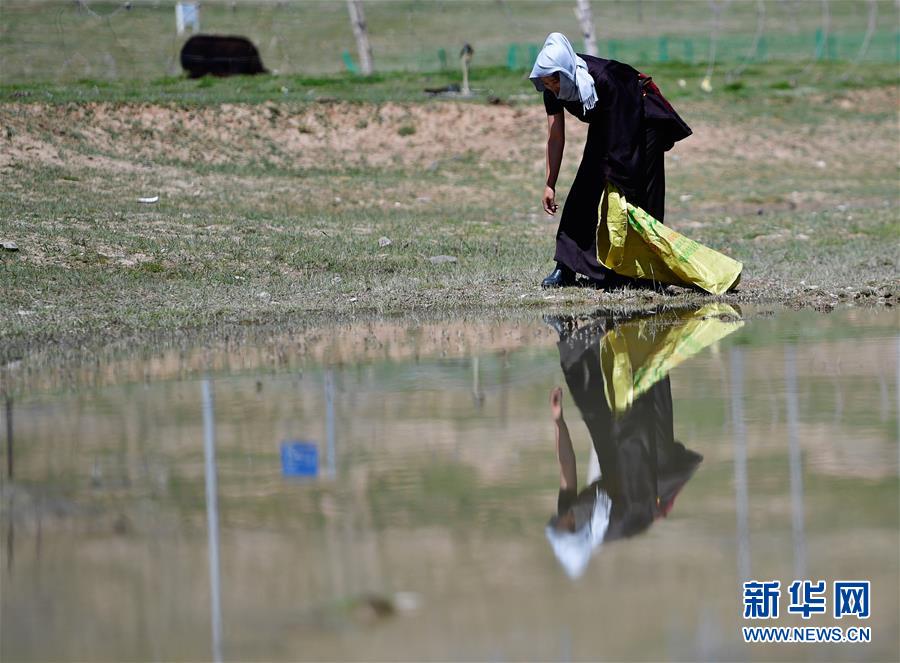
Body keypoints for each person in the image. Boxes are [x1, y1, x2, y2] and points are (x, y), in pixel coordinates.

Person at [544, 313, 702, 578]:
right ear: (577, 530)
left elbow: (567, 465)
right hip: (652, 475)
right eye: (565, 522)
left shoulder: (568, 514)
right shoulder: (621, 520)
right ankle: (645, 326)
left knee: (594, 408)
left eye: (560, 520)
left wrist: (558, 421)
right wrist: (625, 419)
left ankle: (572, 334)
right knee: (641, 397)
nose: (564, 515)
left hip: (615, 472)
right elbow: (634, 447)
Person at [530, 33, 692, 288]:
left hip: (641, 116)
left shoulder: (604, 78)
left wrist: (619, 175)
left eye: (554, 82)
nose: (552, 89)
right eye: (547, 84)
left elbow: (625, 127)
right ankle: (567, 267)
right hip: (608, 120)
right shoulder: (553, 86)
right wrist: (550, 183)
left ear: (566, 71)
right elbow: (555, 136)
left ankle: (646, 272)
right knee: (585, 186)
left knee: (638, 191)